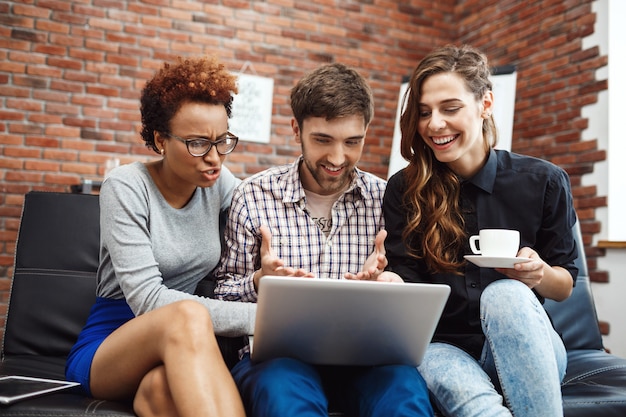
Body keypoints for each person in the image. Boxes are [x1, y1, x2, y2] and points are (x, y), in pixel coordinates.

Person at [213, 63, 433, 417]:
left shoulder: (387, 198)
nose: (337, 158)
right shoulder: (253, 195)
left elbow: (413, 289)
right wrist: (260, 282)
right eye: (322, 140)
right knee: (285, 398)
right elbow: (222, 293)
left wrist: (386, 286)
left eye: (352, 142)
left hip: (368, 360)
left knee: (404, 393)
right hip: (280, 363)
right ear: (296, 129)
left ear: (366, 131)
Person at [380, 44, 578, 417]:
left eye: (450, 108)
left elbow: (565, 284)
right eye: (423, 113)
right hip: (443, 347)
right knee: (467, 393)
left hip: (529, 345)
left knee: (505, 294)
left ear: (485, 103)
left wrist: (538, 274)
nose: (434, 124)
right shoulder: (403, 189)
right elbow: (405, 275)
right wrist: (389, 282)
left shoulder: (545, 181)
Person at [65, 56, 256, 417]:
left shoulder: (218, 183)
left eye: (222, 141)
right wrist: (258, 318)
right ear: (160, 140)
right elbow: (148, 300)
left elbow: (266, 214)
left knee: (159, 395)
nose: (214, 158)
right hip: (114, 341)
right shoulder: (125, 185)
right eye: (198, 143)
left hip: (185, 344)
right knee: (185, 314)